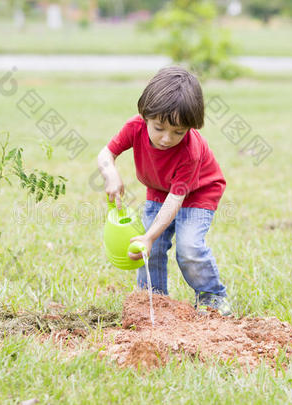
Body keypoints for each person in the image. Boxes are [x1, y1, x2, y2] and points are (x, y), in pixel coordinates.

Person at [96, 66, 232, 316]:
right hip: (160, 188)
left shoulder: (190, 151)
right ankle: (152, 299)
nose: (167, 138)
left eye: (178, 132)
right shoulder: (134, 127)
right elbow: (106, 153)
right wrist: (111, 173)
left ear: (190, 128)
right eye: (159, 128)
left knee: (189, 248)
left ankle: (212, 298)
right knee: (150, 248)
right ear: (146, 115)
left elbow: (175, 201)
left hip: (199, 193)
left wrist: (150, 235)